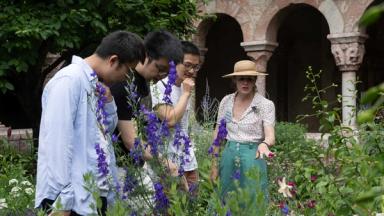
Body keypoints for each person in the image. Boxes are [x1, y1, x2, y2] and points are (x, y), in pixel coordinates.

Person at [35, 30, 146, 216]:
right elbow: (57, 144)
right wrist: (62, 202)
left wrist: (109, 103)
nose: (128, 78)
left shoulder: (95, 83)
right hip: (71, 204)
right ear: (113, 60)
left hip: (93, 197)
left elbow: (106, 134)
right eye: (128, 71)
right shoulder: (69, 80)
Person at [110, 30, 183, 174]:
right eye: (160, 68)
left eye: (166, 72)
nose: (161, 75)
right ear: (146, 55)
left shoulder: (143, 83)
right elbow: (130, 140)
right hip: (118, 168)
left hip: (135, 164)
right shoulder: (124, 83)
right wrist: (164, 162)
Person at [210, 60, 275, 208]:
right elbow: (218, 135)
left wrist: (264, 144)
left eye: (250, 79)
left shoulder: (265, 105)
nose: (245, 83)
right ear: (234, 80)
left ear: (255, 80)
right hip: (228, 155)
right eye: (241, 79)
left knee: (253, 200)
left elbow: (270, 135)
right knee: (225, 199)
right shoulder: (226, 101)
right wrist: (214, 164)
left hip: (253, 156)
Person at [150, 41, 201, 190]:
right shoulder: (158, 88)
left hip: (187, 157)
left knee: (192, 205)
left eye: (195, 66)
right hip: (167, 160)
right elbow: (170, 120)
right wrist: (186, 94)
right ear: (174, 62)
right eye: (187, 65)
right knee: (170, 207)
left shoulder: (184, 87)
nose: (191, 71)